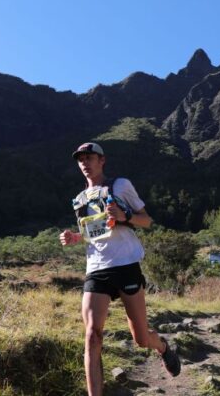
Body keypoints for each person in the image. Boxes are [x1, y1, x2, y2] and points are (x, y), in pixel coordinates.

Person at [59, 142, 180, 396]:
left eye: (90, 158)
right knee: (92, 335)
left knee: (141, 339)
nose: (85, 163)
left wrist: (125, 217)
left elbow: (146, 221)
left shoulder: (120, 186)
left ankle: (163, 347)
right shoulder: (80, 199)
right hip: (96, 269)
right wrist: (75, 238)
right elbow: (94, 232)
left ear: (102, 160)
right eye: (81, 159)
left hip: (126, 265)